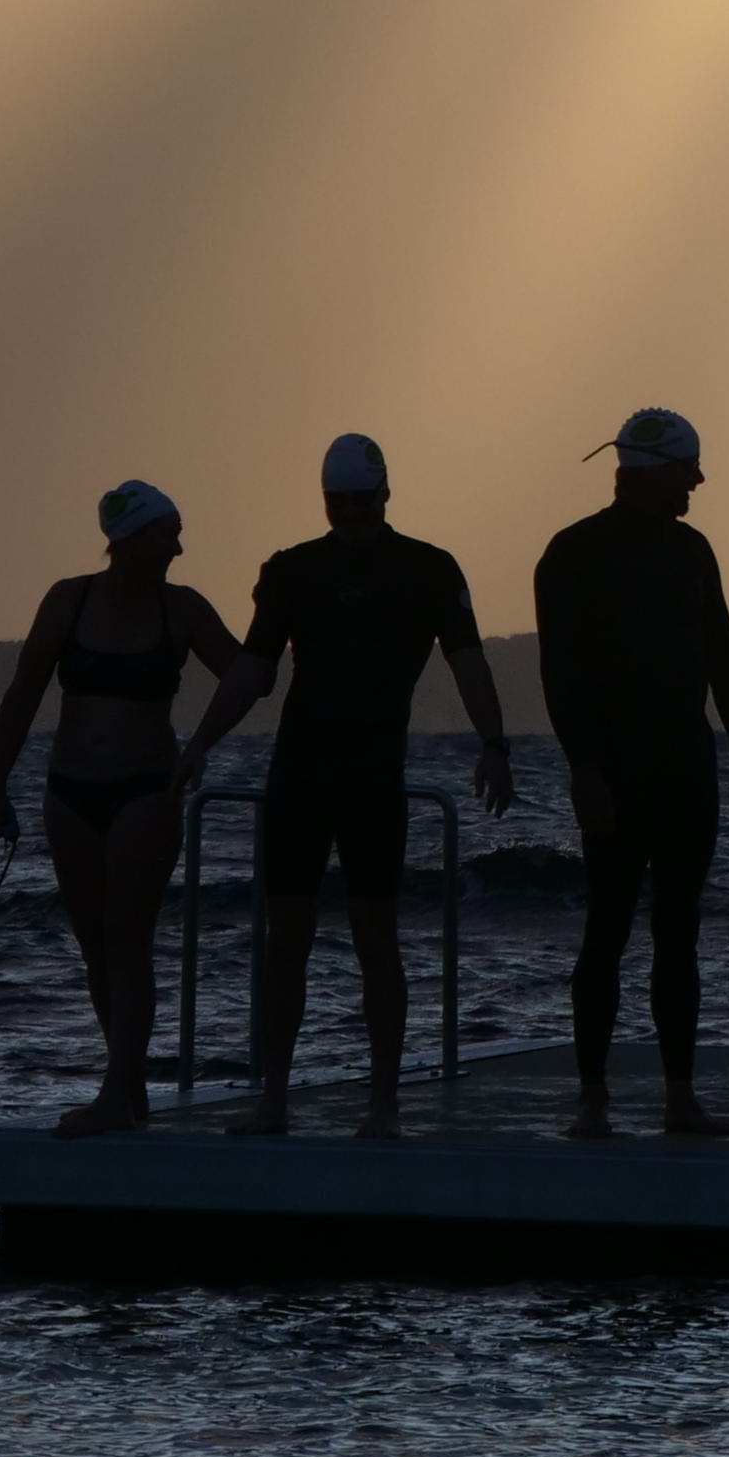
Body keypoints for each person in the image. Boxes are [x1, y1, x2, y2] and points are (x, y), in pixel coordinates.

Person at [176, 430, 516, 1139]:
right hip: (301, 769)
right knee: (287, 935)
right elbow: (252, 670)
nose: (352, 514)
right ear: (325, 501)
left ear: (386, 495)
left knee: (375, 935)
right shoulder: (294, 571)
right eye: (340, 504)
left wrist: (495, 745)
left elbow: (469, 662)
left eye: (362, 502)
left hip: (372, 775)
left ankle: (383, 1103)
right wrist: (201, 742)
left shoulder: (428, 570)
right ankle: (273, 1098)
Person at [0, 482, 251, 1135]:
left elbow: (249, 673)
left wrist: (203, 743)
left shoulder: (181, 610)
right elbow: (23, 693)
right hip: (70, 793)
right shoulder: (68, 600)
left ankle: (115, 1095)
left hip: (145, 791)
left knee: (128, 943)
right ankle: (129, 1092)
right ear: (128, 541)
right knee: (97, 949)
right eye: (168, 533)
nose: (180, 545)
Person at [533, 407, 729, 1141]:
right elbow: (560, 673)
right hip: (615, 768)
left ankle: (678, 1096)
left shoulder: (695, 551)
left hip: (684, 764)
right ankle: (593, 1098)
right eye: (689, 469)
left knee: (678, 932)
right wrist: (584, 770)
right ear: (649, 471)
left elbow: (723, 657)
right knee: (606, 929)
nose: (699, 480)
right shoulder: (573, 553)